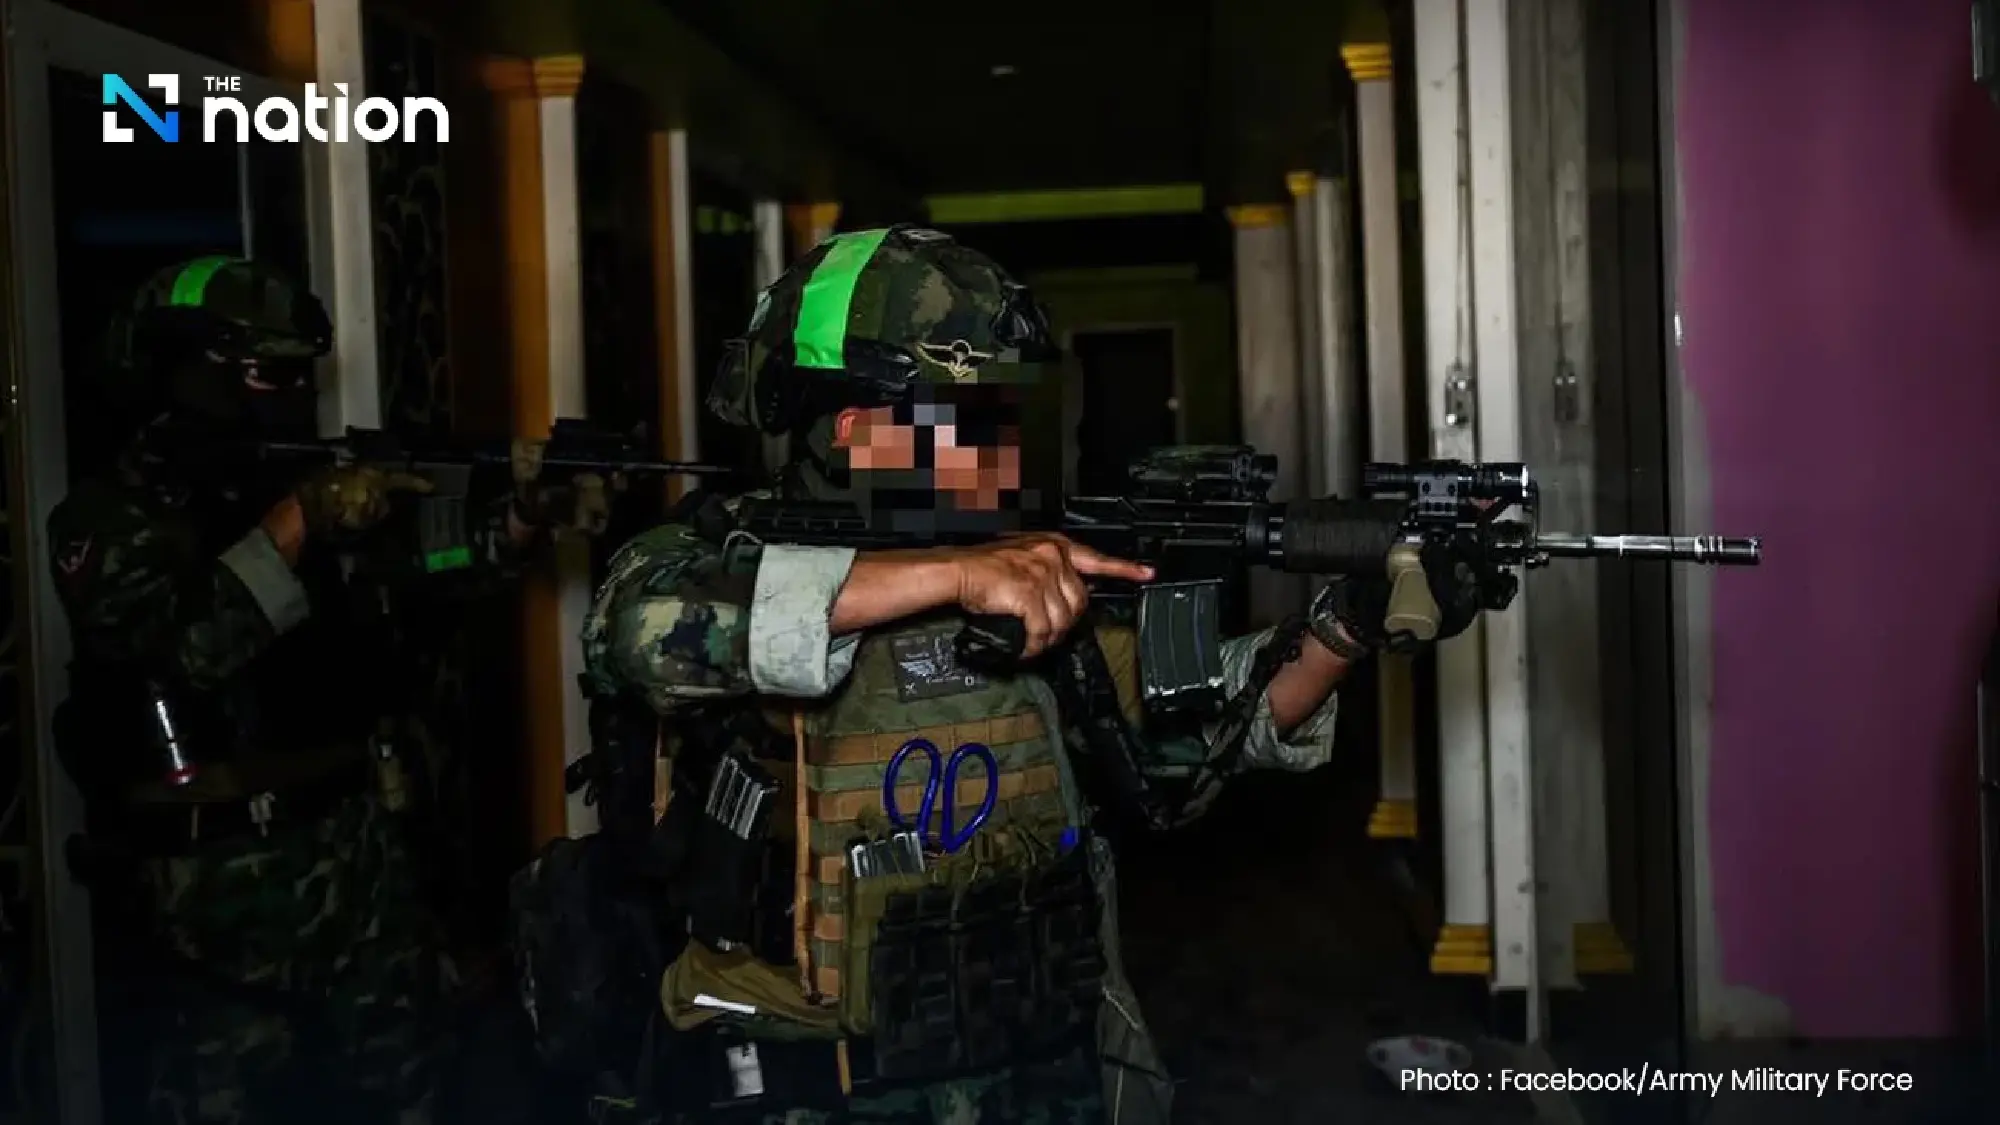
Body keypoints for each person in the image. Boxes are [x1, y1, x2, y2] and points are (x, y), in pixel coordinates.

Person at [569, 226, 1482, 1124]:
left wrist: (1346, 628)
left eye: (1008, 421)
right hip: (804, 1086)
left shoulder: (1026, 573)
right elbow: (646, 629)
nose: (1000, 459)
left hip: (1038, 1075)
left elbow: (1205, 724)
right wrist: (961, 576)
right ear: (855, 431)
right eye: (965, 423)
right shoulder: (705, 557)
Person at [47, 255, 608, 1125]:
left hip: (354, 853)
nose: (287, 398)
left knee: (406, 1086)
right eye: (267, 374)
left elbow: (423, 568)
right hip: (218, 881)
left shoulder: (286, 489)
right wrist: (301, 517)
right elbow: (186, 647)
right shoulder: (110, 518)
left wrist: (517, 520)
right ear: (188, 371)